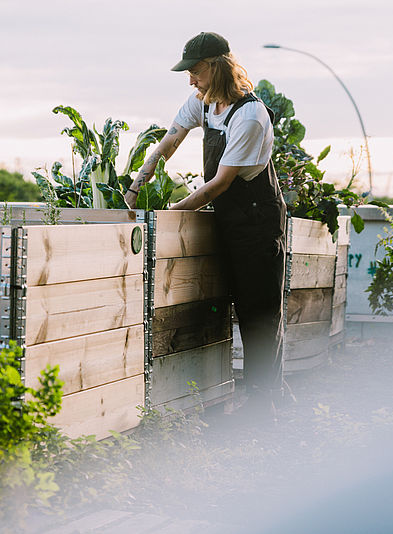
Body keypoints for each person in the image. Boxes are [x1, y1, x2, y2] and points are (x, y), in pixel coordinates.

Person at [125, 32, 288, 418]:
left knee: (259, 313)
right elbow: (170, 141)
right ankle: (260, 397)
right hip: (228, 219)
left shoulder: (249, 116)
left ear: (215, 68)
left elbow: (219, 184)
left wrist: (170, 215)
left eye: (195, 71)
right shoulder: (203, 102)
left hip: (256, 222)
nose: (190, 79)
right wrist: (137, 183)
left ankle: (266, 405)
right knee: (226, 305)